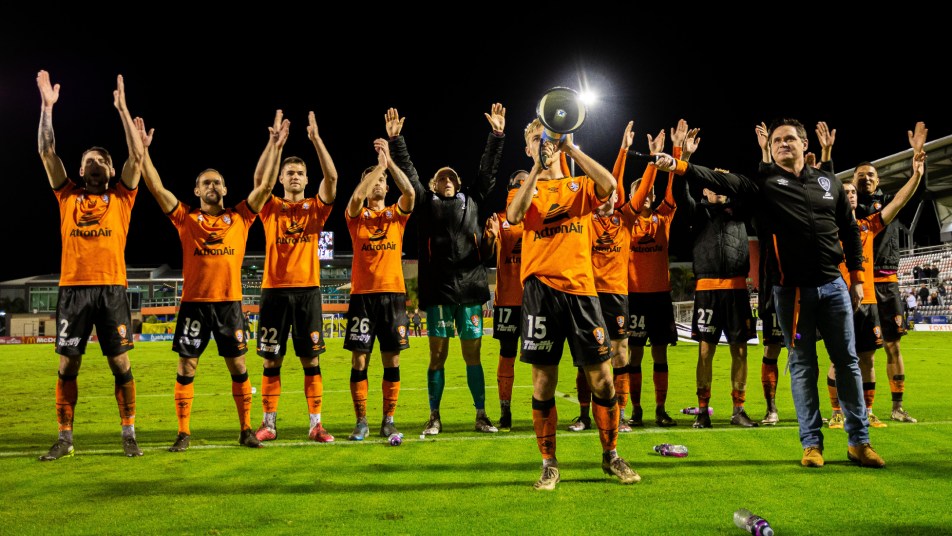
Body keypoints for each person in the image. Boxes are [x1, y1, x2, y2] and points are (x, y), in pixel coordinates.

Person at [654, 118, 885, 469]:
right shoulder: (763, 184)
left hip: (834, 287)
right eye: (777, 140)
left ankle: (859, 442)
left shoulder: (829, 183)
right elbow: (721, 179)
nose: (782, 144)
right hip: (791, 292)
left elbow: (850, 230)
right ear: (771, 148)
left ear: (803, 145)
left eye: (789, 139)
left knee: (848, 363)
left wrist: (855, 276)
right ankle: (811, 445)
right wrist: (680, 163)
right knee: (803, 365)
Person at [138, 110, 289, 451]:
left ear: (225, 188)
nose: (212, 186)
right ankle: (183, 433)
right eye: (205, 182)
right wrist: (143, 152)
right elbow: (155, 186)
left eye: (216, 182)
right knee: (187, 365)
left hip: (228, 303)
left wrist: (275, 145)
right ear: (196, 190)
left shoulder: (241, 217)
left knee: (238, 365)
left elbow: (265, 186)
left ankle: (246, 429)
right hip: (194, 304)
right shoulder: (185, 218)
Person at [508, 118, 640, 490]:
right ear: (528, 147)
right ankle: (549, 464)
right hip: (540, 293)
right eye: (536, 139)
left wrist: (569, 148)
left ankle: (611, 455)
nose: (543, 144)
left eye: (547, 138)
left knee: (602, 379)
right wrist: (537, 168)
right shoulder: (524, 188)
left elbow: (610, 186)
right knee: (543, 382)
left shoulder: (578, 186)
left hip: (582, 292)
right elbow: (515, 217)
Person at [36, 71, 145, 460]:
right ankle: (65, 438)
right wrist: (47, 109)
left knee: (120, 363)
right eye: (89, 160)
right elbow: (48, 153)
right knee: (68, 365)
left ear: (111, 171)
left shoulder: (122, 198)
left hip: (112, 289)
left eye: (102, 159)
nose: (95, 162)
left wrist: (122, 109)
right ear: (81, 171)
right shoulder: (67, 196)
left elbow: (138, 157)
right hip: (73, 290)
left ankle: (128, 433)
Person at [386, 105, 505, 435]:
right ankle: (434, 416)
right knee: (436, 356)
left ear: (460, 183)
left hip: (470, 290)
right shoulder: (425, 204)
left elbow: (488, 171)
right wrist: (396, 141)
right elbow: (409, 174)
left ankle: (481, 414)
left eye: (452, 177)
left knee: (473, 355)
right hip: (438, 291)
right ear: (433, 184)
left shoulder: (473, 201)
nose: (447, 181)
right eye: (442, 178)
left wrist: (497, 136)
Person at [253, 111, 339, 443]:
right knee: (271, 359)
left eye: (300, 173)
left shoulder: (316, 209)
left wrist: (316, 139)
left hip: (307, 292)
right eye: (289, 172)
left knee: (311, 360)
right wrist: (274, 145)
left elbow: (331, 180)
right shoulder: (269, 206)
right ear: (281, 179)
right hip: (274, 291)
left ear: (306, 181)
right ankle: (269, 424)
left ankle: (315, 423)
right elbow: (260, 178)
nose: (294, 176)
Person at [826, 152, 924, 430]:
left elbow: (898, 203)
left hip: (869, 296)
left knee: (869, 356)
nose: (853, 194)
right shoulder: (828, 227)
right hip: (839, 298)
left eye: (853, 192)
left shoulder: (868, 226)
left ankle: (870, 410)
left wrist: (916, 173)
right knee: (840, 356)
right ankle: (836, 412)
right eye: (846, 191)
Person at [675, 124, 759, 429]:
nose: (718, 188)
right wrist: (683, 156)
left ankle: (738, 410)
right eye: (713, 184)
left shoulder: (741, 210)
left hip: (737, 290)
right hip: (707, 289)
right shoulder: (697, 211)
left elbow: (749, 189)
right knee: (705, 350)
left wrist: (726, 179)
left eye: (722, 184)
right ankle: (702, 410)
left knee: (740, 351)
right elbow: (678, 191)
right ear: (705, 190)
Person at [849, 124, 927, 424]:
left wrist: (917, 172)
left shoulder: (889, 205)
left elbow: (903, 198)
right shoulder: (848, 208)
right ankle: (861, 409)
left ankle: (897, 407)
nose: (866, 177)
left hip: (887, 283)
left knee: (893, 346)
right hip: (859, 285)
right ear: (853, 182)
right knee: (861, 352)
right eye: (860, 175)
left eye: (870, 174)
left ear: (878, 180)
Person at [342, 138, 415, 441]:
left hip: (393, 296)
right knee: (360, 360)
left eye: (383, 181)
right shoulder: (356, 217)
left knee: (392, 360)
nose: (378, 184)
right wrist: (376, 170)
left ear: (387, 188)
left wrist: (388, 165)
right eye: (372, 180)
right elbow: (355, 199)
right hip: (362, 297)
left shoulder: (395, 216)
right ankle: (361, 421)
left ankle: (389, 420)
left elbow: (409, 192)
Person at [568, 121, 638, 433]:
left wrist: (624, 150)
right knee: (589, 356)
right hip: (587, 293)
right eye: (605, 195)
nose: (609, 198)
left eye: (614, 195)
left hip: (617, 294)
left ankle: (620, 413)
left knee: (621, 352)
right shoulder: (585, 217)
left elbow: (616, 182)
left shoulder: (624, 219)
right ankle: (584, 415)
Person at [624, 125, 680, 429]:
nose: (647, 197)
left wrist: (673, 154)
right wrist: (649, 162)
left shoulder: (663, 219)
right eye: (641, 193)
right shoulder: (627, 220)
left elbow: (670, 190)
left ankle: (660, 409)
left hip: (660, 296)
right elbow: (641, 190)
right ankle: (636, 409)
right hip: (634, 297)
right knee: (634, 357)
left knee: (660, 355)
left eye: (650, 194)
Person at [484, 170, 528, 431]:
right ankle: (505, 411)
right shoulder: (499, 220)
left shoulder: (539, 217)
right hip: (508, 301)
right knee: (507, 354)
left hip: (536, 300)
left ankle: (542, 410)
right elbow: (487, 253)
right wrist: (489, 237)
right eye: (519, 182)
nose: (523, 185)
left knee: (541, 359)